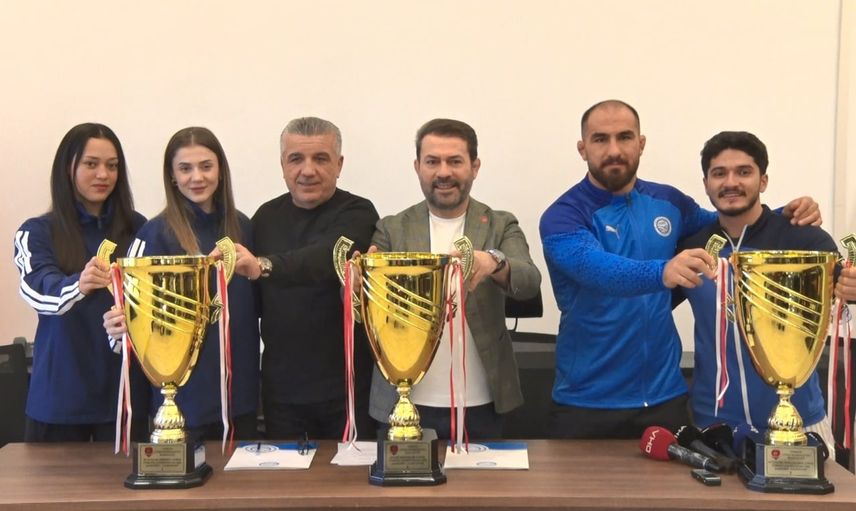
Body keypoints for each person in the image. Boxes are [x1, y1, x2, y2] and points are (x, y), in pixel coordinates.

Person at [539, 100, 821, 439]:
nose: (614, 150)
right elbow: (596, 269)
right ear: (582, 148)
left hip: (665, 399)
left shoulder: (669, 202)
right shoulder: (562, 216)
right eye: (600, 139)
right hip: (585, 403)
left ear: (641, 143)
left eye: (624, 137)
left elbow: (725, 224)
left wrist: (786, 214)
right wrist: (663, 272)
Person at [677, 130, 856, 451]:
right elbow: (649, 307)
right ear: (705, 184)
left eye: (744, 172)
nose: (731, 182)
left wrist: (852, 288)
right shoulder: (692, 248)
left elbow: (845, 287)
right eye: (719, 173)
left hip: (800, 421)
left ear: (763, 181)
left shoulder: (805, 238)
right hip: (713, 424)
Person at [368, 118, 541, 439]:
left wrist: (494, 262)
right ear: (418, 167)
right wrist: (355, 283)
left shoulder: (500, 224)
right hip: (403, 402)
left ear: (475, 167)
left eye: (455, 161)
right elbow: (365, 303)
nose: (443, 172)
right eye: (432, 161)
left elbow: (529, 280)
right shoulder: (391, 228)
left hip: (483, 403)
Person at [103, 127, 260, 442]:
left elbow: (258, 301)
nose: (197, 177)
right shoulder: (153, 235)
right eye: (185, 169)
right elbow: (130, 316)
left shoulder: (243, 226)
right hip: (182, 401)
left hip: (240, 398)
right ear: (172, 177)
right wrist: (118, 328)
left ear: (220, 171)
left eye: (206, 166)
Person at [235, 117, 379, 440]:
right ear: (282, 165)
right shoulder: (264, 218)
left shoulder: (359, 213)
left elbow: (326, 258)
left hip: (349, 391)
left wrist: (264, 266)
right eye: (296, 159)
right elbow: (249, 301)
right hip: (281, 395)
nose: (308, 170)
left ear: (339, 165)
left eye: (321, 159)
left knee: (352, 474)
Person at [13, 123, 146, 442]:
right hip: (59, 401)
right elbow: (36, 289)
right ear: (67, 167)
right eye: (91, 164)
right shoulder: (37, 231)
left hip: (123, 400)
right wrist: (79, 284)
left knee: (128, 478)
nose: (103, 174)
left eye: (112, 166)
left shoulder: (138, 228)